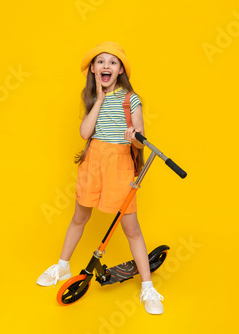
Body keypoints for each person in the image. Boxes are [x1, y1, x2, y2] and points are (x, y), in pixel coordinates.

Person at [36, 41, 164, 315]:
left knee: (132, 229)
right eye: (101, 61)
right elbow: (85, 133)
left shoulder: (131, 99)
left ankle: (148, 287)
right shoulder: (94, 99)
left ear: (120, 71)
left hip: (119, 164)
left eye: (113, 62)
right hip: (93, 162)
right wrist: (101, 100)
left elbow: (141, 140)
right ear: (93, 69)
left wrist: (135, 139)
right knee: (79, 218)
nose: (106, 65)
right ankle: (62, 265)